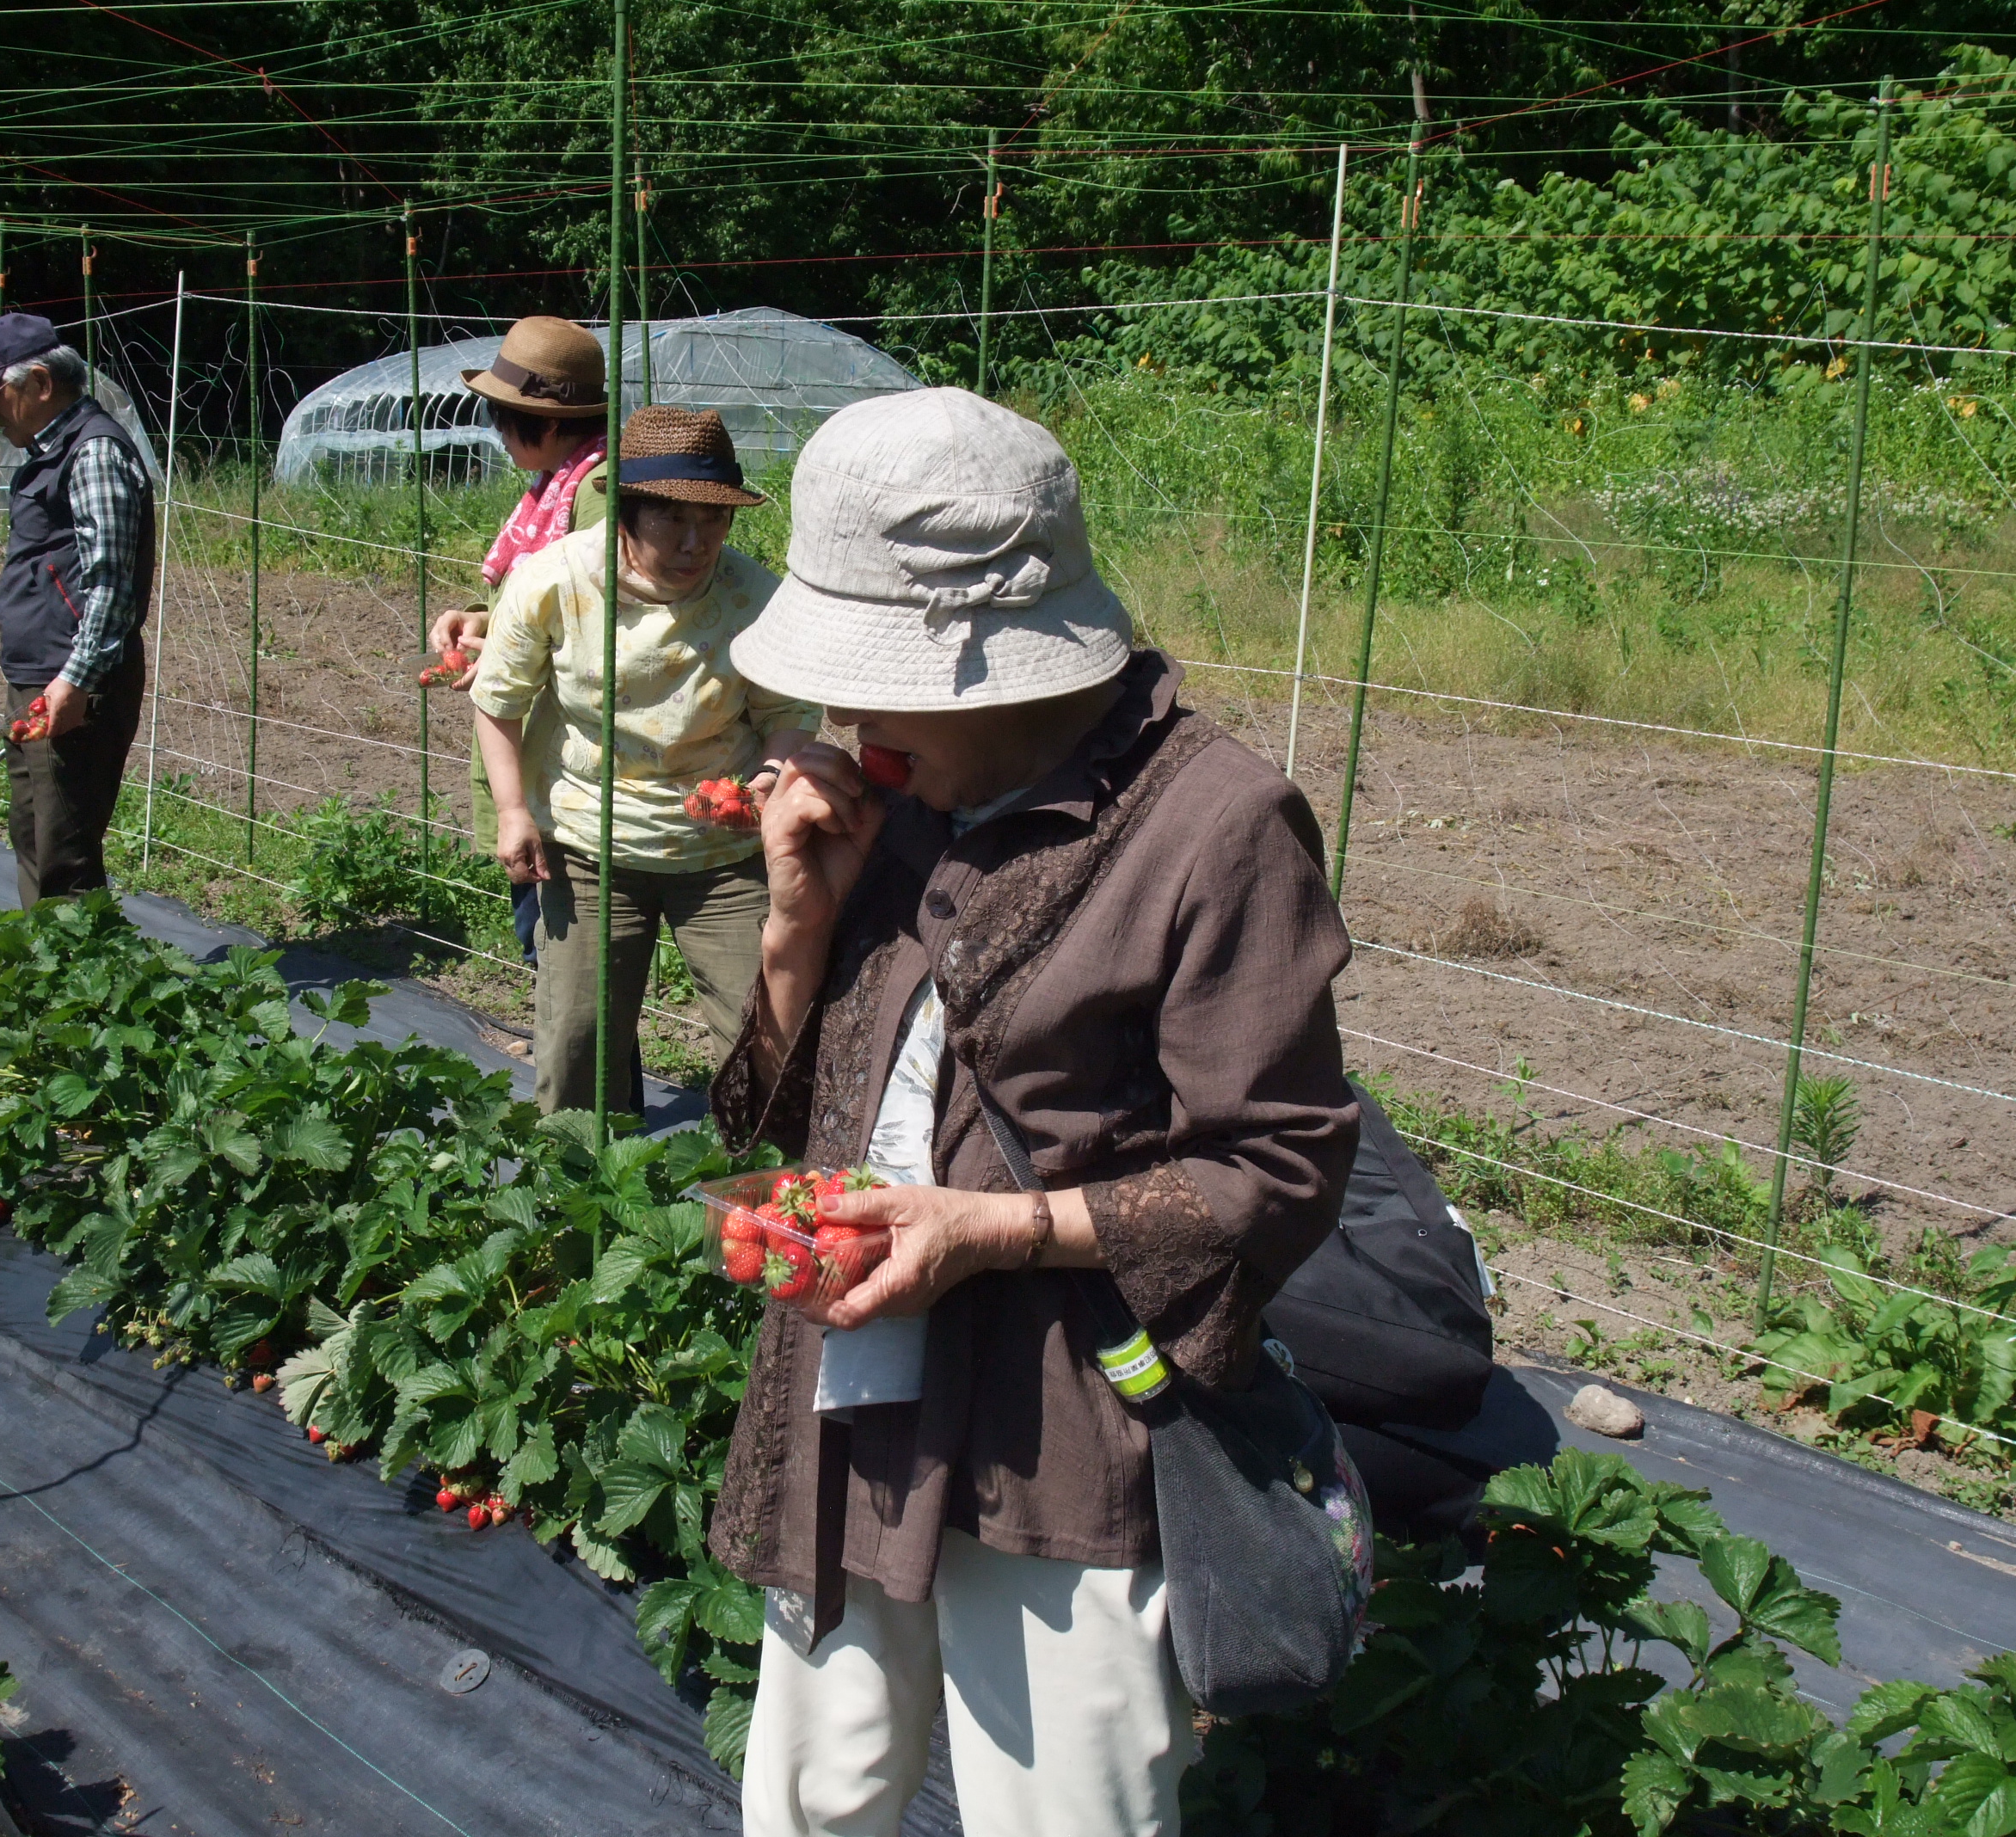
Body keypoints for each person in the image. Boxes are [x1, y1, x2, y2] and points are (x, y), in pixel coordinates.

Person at [710, 388, 1362, 1835]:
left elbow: (1279, 1166)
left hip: (1061, 1424)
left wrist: (991, 1229)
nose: (846, 718)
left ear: (992, 663)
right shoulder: (898, 795)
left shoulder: (1214, 828)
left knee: (1060, 1813)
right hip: (855, 1387)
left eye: (875, 680)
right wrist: (794, 929)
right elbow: (781, 1118)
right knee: (815, 1800)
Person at [470, 405, 817, 1116]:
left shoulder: (756, 598)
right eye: (672, 521)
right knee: (577, 1044)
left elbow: (788, 719)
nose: (697, 543)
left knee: (762, 1036)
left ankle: (758, 1206)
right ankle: (582, 1205)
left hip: (722, 852)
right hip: (588, 842)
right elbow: (497, 701)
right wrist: (512, 812)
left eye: (714, 520)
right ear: (626, 512)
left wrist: (763, 783)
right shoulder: (556, 580)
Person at [426, 316, 612, 965]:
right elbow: (535, 592)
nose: (500, 433)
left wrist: (508, 649)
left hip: (557, 745)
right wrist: (482, 617)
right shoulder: (557, 483)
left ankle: (575, 1057)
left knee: (557, 931)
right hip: (531, 730)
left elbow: (590, 613)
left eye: (508, 418)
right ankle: (567, 1049)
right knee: (542, 923)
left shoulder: (596, 492)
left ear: (554, 422)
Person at [0, 311, 153, 906]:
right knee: (34, 837)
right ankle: (49, 979)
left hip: (73, 685)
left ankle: (83, 986)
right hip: (42, 674)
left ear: (40, 384)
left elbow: (110, 584)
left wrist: (76, 681)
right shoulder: (51, 451)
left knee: (64, 855)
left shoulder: (92, 454)